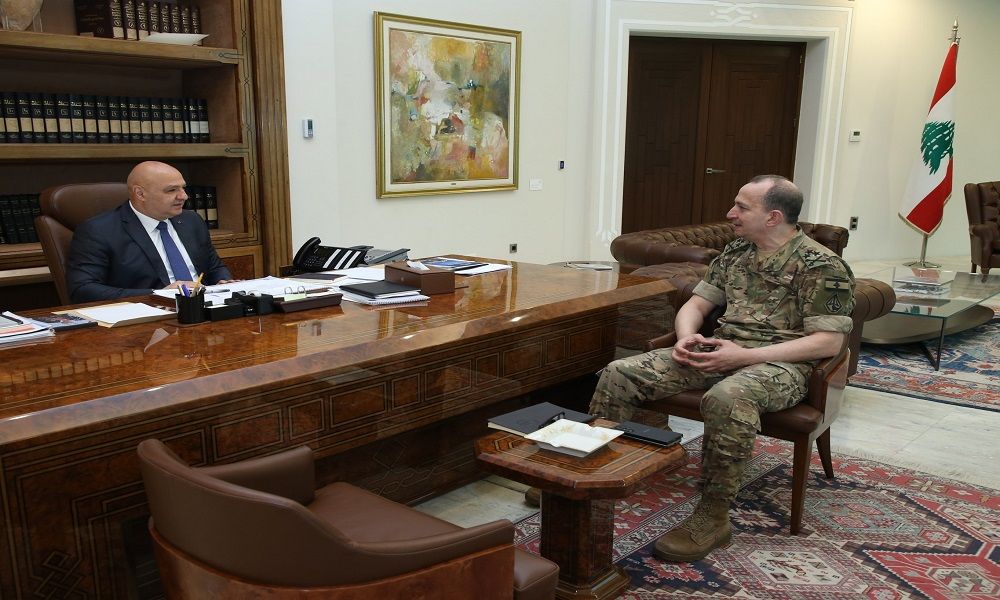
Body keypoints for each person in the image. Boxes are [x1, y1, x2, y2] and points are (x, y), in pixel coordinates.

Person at [528, 175, 854, 562]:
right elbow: (697, 304)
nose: (730, 213)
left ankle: (713, 517)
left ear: (773, 217)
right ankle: (585, 471)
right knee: (619, 372)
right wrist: (685, 338)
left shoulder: (822, 265)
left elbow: (828, 342)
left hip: (782, 363)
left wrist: (742, 357)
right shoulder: (737, 251)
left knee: (727, 399)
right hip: (719, 348)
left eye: (742, 207)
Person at [66, 161, 233, 303]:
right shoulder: (98, 231)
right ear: (140, 194)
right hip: (147, 316)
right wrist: (158, 294)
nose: (184, 196)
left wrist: (223, 281)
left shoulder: (191, 220)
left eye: (183, 188)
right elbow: (83, 290)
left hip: (205, 308)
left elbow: (214, 266)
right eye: (171, 190)